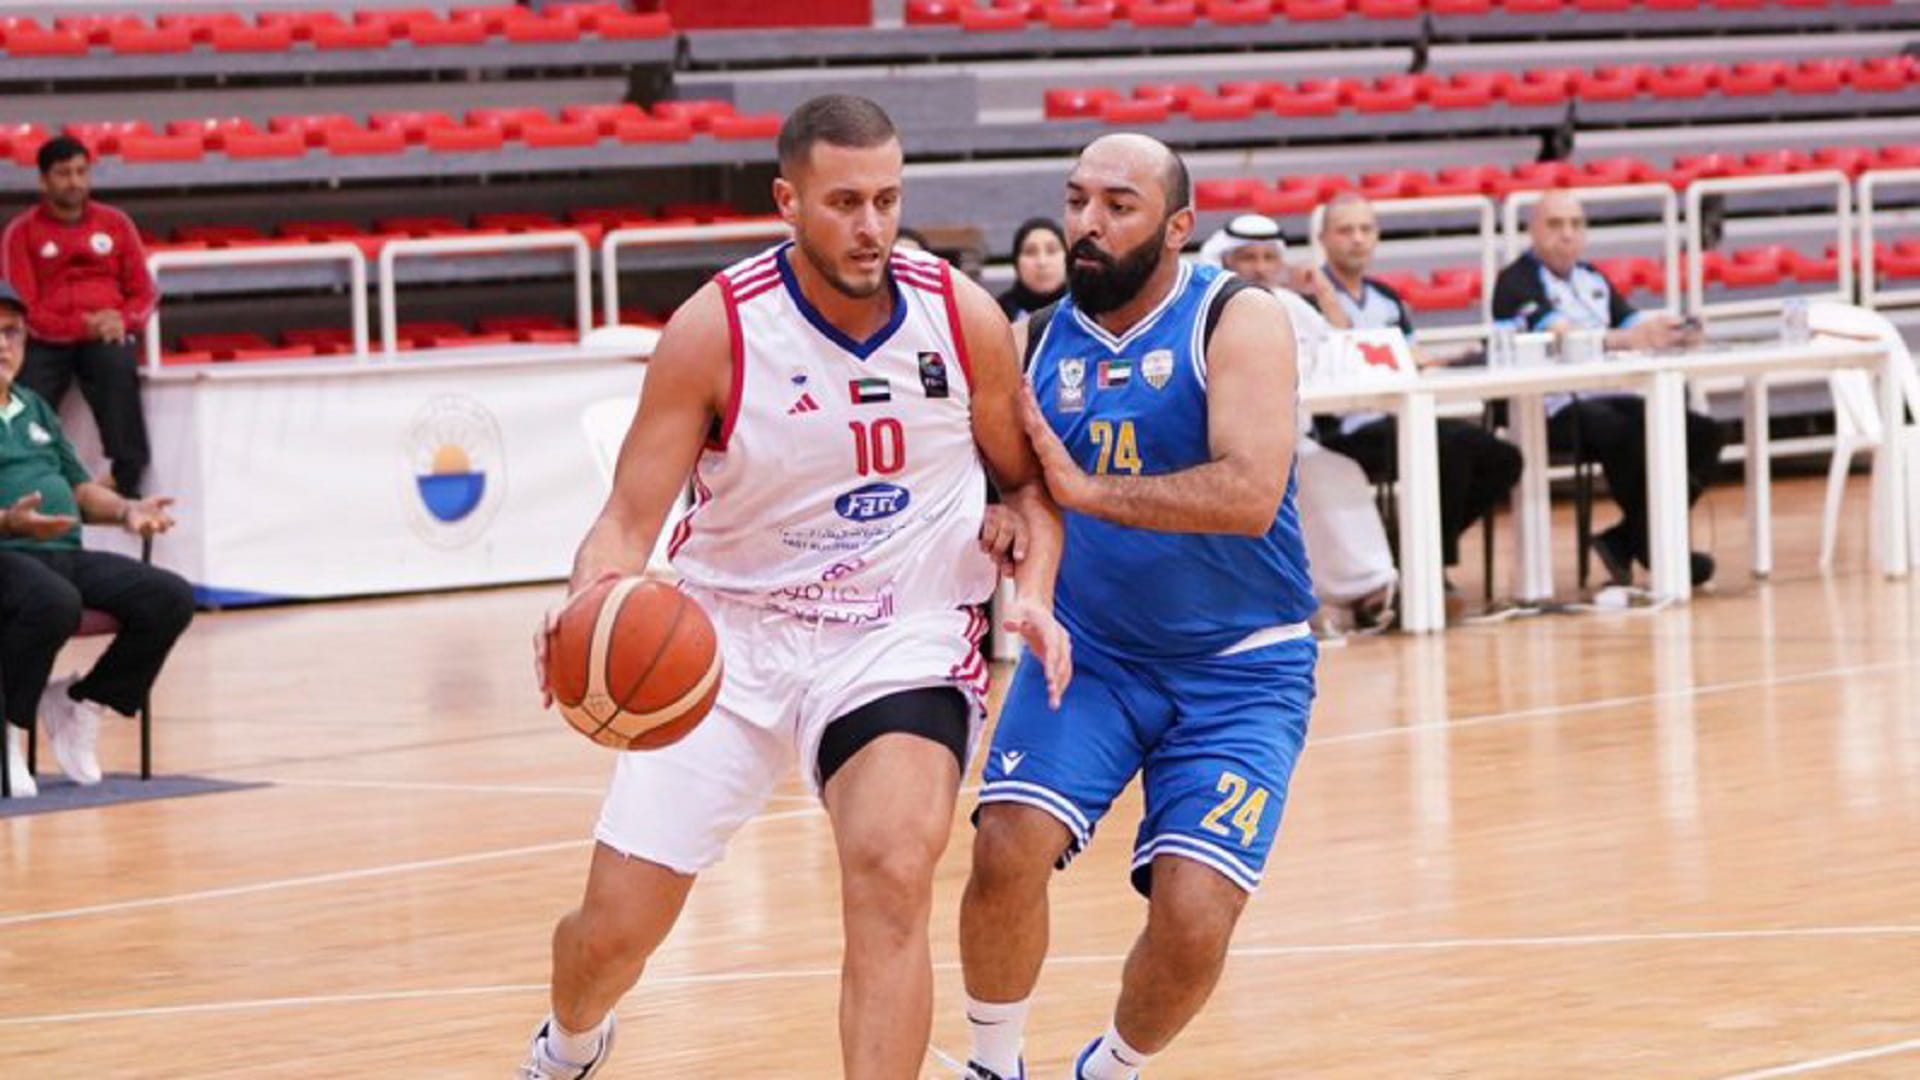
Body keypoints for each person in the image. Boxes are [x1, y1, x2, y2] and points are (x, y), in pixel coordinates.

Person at [516, 95, 1071, 1080]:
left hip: (897, 631)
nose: (872, 228)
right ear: (788, 200)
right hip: (725, 641)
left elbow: (1025, 484)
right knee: (610, 938)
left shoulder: (963, 318)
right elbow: (626, 522)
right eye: (846, 202)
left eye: (889, 200)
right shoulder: (715, 330)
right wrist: (588, 601)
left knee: (895, 875)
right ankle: (569, 1045)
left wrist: (1028, 576)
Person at [960, 134, 1317, 1080]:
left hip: (1244, 668)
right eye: (1076, 201)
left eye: (1118, 205)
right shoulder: (1031, 340)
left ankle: (1109, 1070)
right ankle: (993, 1066)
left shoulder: (1238, 318)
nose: (1086, 223)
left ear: (1177, 227)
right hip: (1094, 655)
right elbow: (1013, 489)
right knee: (1006, 846)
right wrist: (1008, 515)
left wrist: (1084, 491)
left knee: (1195, 920)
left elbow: (1248, 493)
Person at [0, 281, 190, 798]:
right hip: (7, 553)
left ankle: (80, 701)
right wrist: (8, 522)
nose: (3, 345)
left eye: (12, 333)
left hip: (61, 552)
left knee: (168, 596)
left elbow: (81, 488)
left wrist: (127, 510)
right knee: (52, 602)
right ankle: (8, 729)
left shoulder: (34, 407)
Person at [1491, 188, 1723, 586]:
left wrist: (1670, 331)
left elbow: (1632, 324)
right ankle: (1653, 545)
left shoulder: (1593, 278)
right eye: (1556, 224)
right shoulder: (1515, 281)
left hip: (1610, 394)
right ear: (1533, 230)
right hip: (1550, 406)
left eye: (1576, 225)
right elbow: (1563, 336)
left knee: (1703, 433)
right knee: (1627, 433)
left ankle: (1629, 538)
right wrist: (1630, 338)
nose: (1567, 234)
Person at [1314, 192, 1523, 586]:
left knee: (1502, 457)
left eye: (1366, 229)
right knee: (1449, 448)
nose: (1357, 238)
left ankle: (1414, 554)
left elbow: (1409, 356)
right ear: (1323, 238)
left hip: (1405, 414)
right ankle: (1425, 570)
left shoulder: (1389, 299)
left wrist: (1442, 360)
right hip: (1347, 427)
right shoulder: (1310, 298)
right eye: (1346, 230)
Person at [1200, 213, 1395, 632]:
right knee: (1306, 477)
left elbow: (1347, 346)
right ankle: (1314, 601)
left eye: (1269, 257)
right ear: (1227, 260)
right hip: (1227, 447)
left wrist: (1322, 291)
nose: (1259, 267)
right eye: (1248, 257)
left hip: (1297, 439)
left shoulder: (1287, 304)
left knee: (1340, 470)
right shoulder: (1209, 308)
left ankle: (1370, 591)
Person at [2, 136, 157, 499]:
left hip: (106, 333)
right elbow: (22, 306)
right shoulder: (21, 232)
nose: (74, 181)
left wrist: (122, 320)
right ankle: (26, 476)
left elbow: (145, 291)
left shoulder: (116, 223)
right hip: (46, 339)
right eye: (63, 173)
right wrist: (82, 325)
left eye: (81, 172)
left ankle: (127, 479)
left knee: (116, 363)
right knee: (22, 388)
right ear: (44, 180)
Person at [997, 217, 1068, 323]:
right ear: (1016, 262)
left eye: (1052, 250)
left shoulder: (1088, 310)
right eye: (1030, 252)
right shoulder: (996, 315)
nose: (1042, 262)